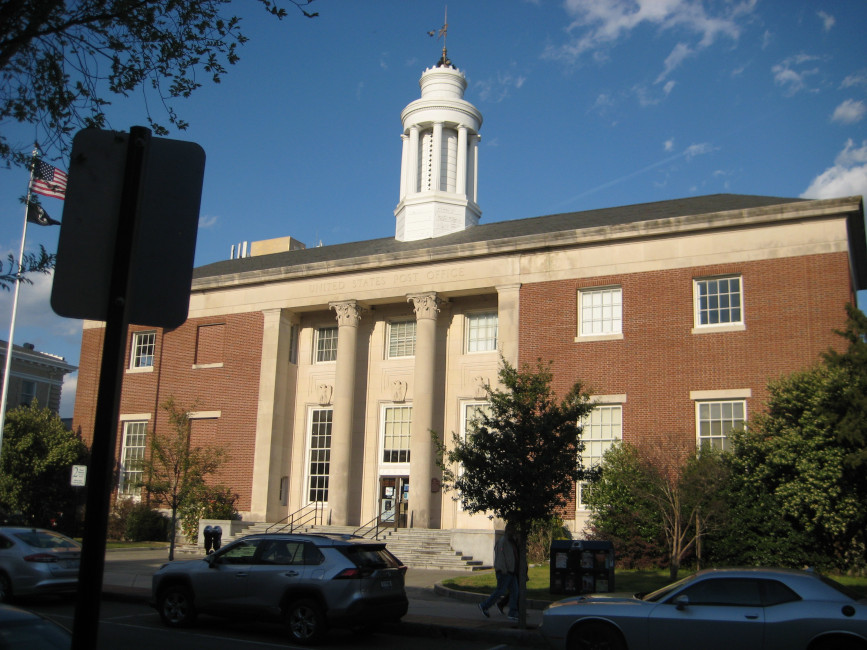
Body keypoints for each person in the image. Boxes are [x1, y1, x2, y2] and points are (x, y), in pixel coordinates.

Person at [478, 525, 519, 621]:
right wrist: (503, 569)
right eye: (513, 530)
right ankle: (484, 605)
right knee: (500, 591)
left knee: (515, 591)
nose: (514, 532)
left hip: (511, 571)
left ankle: (512, 612)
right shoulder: (503, 542)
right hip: (504, 572)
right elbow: (500, 557)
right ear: (508, 530)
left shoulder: (511, 542)